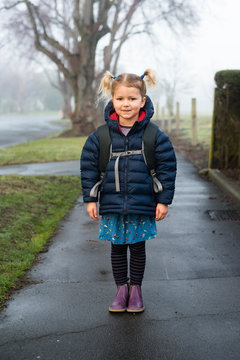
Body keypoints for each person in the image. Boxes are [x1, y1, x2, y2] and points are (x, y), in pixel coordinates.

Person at [80, 69, 176, 313]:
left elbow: (166, 168)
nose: (126, 104)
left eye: (132, 99)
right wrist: (91, 199)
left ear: (142, 101)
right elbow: (89, 167)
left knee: (137, 246)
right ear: (112, 100)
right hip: (112, 203)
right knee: (117, 246)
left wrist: (163, 200)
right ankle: (121, 290)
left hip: (142, 203)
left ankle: (136, 291)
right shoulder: (101, 136)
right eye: (120, 99)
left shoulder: (154, 135)